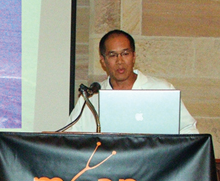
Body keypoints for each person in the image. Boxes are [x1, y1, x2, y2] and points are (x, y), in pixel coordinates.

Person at [67, 29, 198, 134]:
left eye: (125, 54)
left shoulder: (162, 90)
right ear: (103, 60)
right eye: (112, 55)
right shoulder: (91, 98)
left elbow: (188, 131)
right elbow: (70, 137)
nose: (120, 61)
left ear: (134, 56)